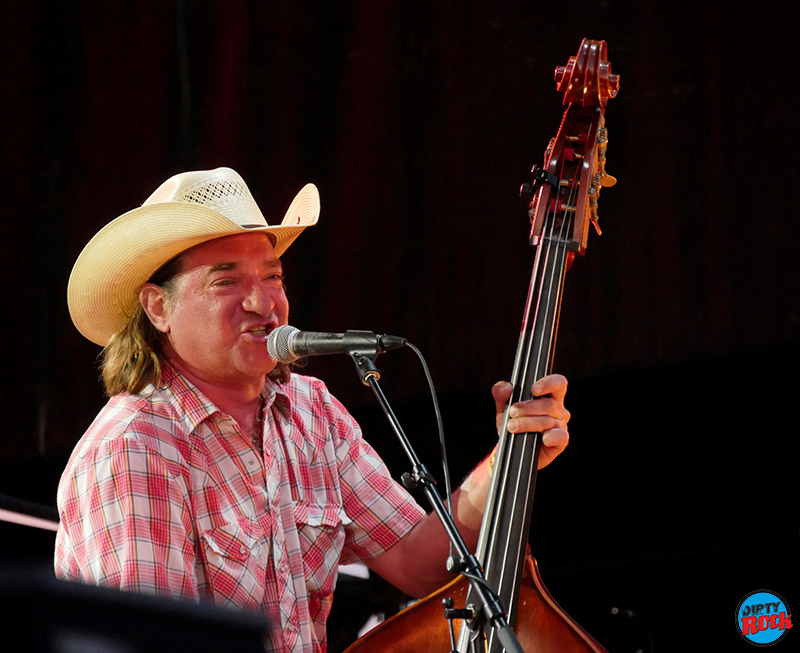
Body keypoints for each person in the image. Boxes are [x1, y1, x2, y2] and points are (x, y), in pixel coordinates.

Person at [55, 167, 570, 652]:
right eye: (226, 281)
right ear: (158, 308)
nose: (262, 302)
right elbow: (155, 645)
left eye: (273, 276)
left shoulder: (310, 411)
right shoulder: (133, 448)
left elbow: (420, 561)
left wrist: (511, 455)